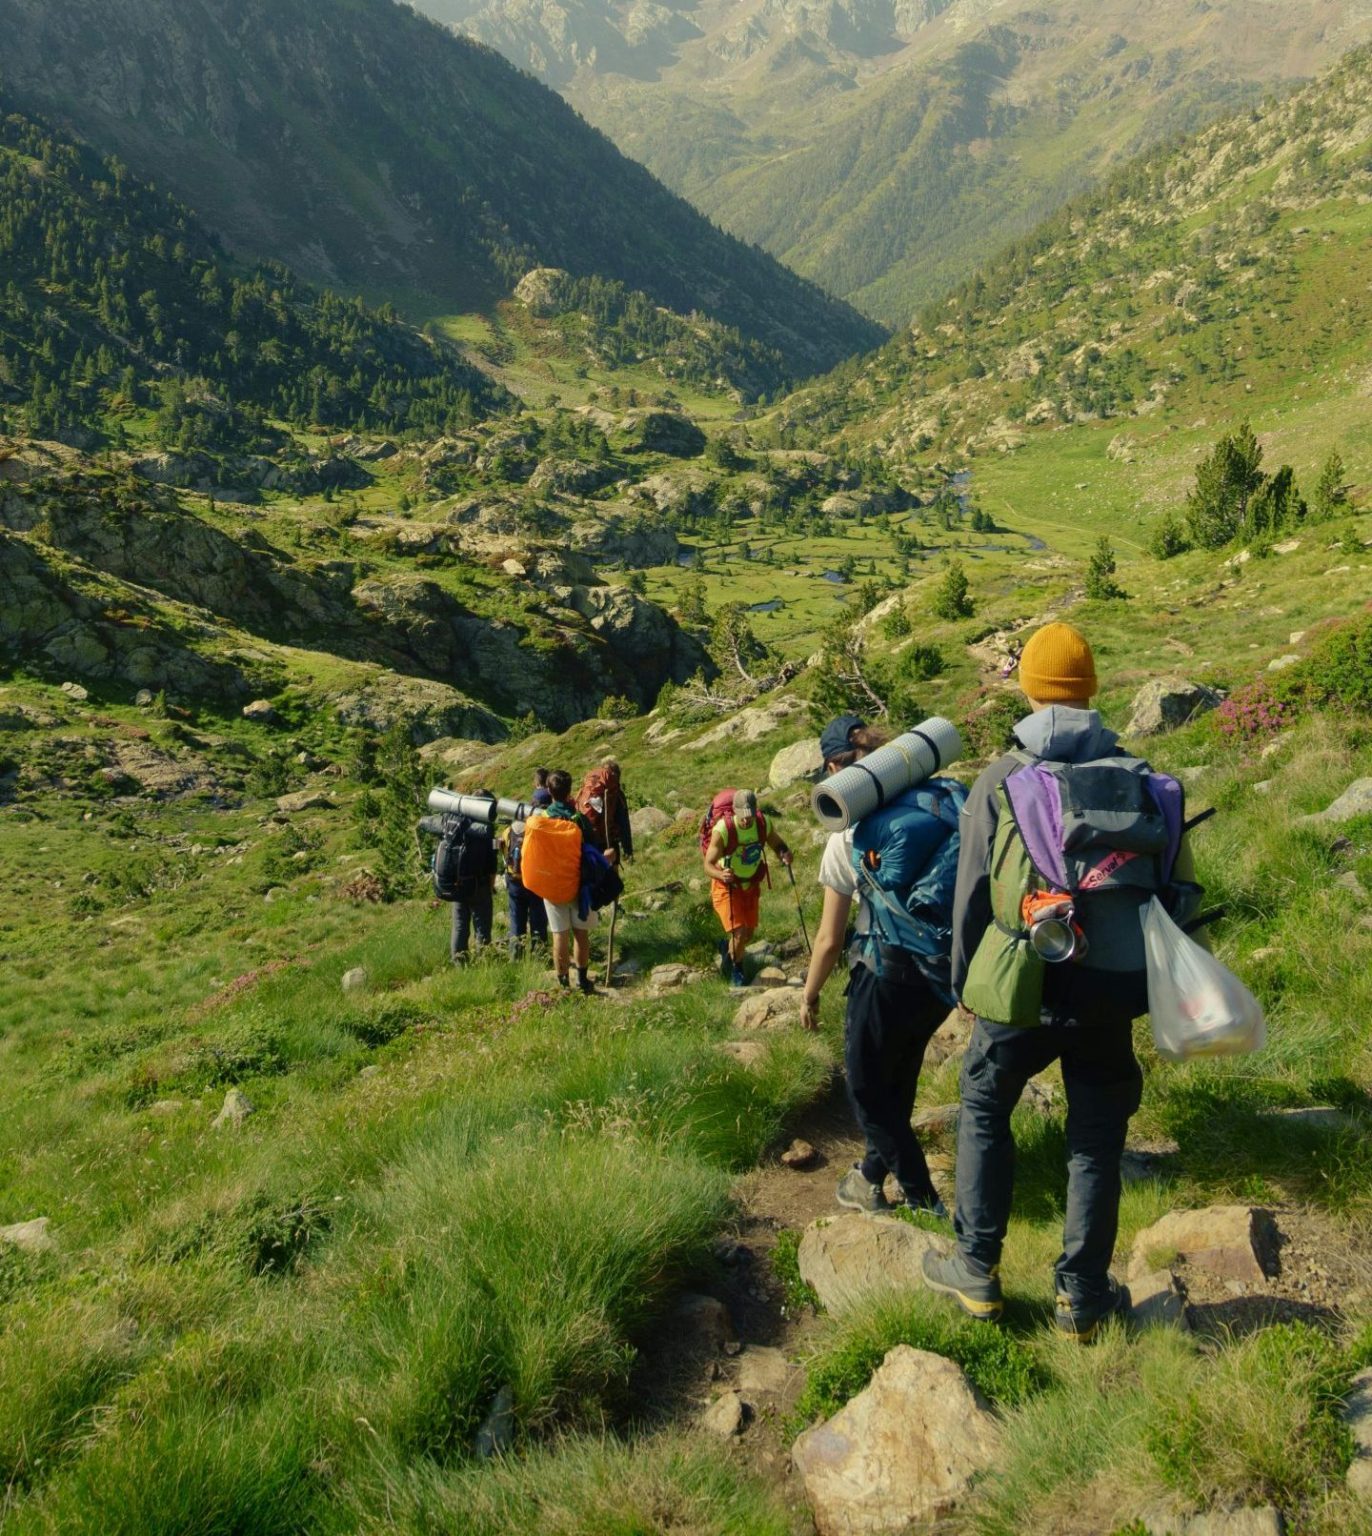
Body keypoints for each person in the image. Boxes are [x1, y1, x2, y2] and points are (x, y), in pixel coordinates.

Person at [922, 622, 1198, 1340]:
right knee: (1097, 1137)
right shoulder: (1146, 781)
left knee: (985, 1108)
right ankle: (1082, 1295)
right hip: (1110, 990)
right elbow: (1180, 893)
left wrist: (962, 985)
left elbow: (973, 894)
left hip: (1022, 988)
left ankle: (977, 1270)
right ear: (1091, 690)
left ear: (1031, 690)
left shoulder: (1004, 779)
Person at [800, 715, 953, 1218]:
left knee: (867, 1088)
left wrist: (809, 993)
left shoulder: (848, 835)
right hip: (939, 973)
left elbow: (828, 938)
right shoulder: (937, 800)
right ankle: (869, 1175)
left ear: (832, 768)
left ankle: (921, 1198)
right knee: (901, 1076)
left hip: (883, 970)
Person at [703, 788, 792, 988]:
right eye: (742, 817)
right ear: (734, 811)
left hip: (750, 884)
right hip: (727, 886)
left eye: (749, 816)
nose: (746, 821)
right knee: (741, 933)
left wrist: (784, 853)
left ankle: (728, 949)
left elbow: (777, 844)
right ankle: (737, 970)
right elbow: (708, 864)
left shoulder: (762, 823)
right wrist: (720, 874)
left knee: (749, 934)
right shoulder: (723, 830)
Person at [531, 769, 598, 994]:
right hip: (579, 884)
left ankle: (562, 983)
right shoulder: (578, 818)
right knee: (581, 933)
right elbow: (592, 847)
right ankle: (582, 980)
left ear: (548, 791)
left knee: (559, 934)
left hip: (552, 885)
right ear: (570, 791)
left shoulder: (542, 819)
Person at [502, 786, 551, 958]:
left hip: (514, 880)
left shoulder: (511, 828)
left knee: (516, 921)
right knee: (538, 920)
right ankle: (540, 955)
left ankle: (516, 956)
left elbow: (503, 849)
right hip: (535, 881)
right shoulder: (543, 828)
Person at [576, 758, 633, 865]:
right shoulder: (616, 794)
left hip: (589, 840)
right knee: (612, 874)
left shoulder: (587, 789)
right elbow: (623, 823)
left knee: (596, 874)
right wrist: (628, 850)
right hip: (610, 841)